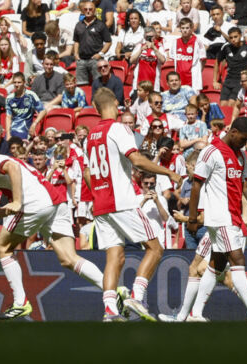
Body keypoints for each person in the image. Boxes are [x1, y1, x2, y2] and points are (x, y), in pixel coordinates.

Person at [0, 132, 106, 320]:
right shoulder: (3, 160)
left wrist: (17, 201)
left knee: (2, 247)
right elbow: (14, 203)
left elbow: (13, 171)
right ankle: (111, 288)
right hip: (56, 202)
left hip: (35, 204)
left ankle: (20, 302)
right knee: (68, 258)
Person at [85, 87, 181, 321]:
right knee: (156, 248)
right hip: (122, 202)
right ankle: (137, 296)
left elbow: (88, 173)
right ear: (117, 103)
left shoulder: (91, 135)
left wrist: (97, 195)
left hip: (101, 205)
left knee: (114, 257)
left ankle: (110, 310)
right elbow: (136, 159)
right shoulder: (118, 128)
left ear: (96, 109)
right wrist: (170, 173)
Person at [185, 117, 247, 320]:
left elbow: (246, 186)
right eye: (243, 139)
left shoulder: (241, 155)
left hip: (234, 217)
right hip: (220, 217)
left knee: (216, 264)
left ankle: (195, 314)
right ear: (233, 132)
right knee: (238, 259)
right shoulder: (211, 152)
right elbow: (196, 185)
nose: (245, 144)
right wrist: (192, 218)